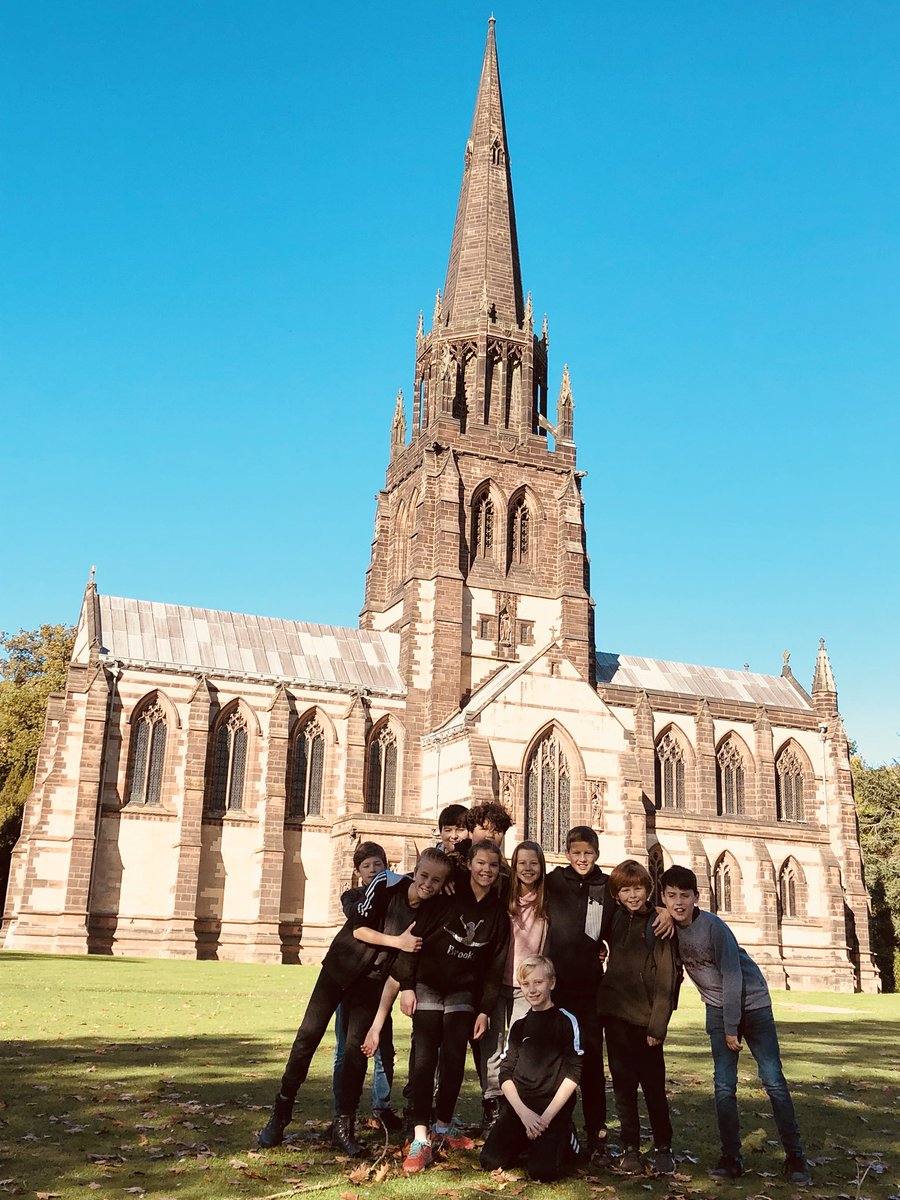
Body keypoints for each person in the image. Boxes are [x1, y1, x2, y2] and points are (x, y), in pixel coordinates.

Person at [256, 847, 450, 1154]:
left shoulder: (432, 912)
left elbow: (400, 971)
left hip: (370, 984)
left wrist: (377, 1024)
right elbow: (359, 928)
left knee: (356, 1052)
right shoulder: (387, 883)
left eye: (437, 880)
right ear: (414, 870)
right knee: (308, 1038)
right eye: (424, 876)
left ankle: (343, 1127)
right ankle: (279, 1116)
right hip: (340, 967)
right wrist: (397, 941)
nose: (428, 884)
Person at [660, 865, 811, 1185]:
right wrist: (658, 911)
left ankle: (796, 1157)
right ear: (664, 897)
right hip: (717, 1008)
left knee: (773, 1082)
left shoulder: (714, 927)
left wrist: (731, 1027)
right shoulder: (669, 925)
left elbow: (733, 975)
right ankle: (731, 1158)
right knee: (724, 1087)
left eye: (684, 896)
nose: (678, 903)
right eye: (671, 896)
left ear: (696, 897)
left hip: (752, 1004)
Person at [391, 839, 511, 1174]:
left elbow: (494, 964)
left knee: (455, 1058)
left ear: (499, 868)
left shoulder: (498, 913)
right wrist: (407, 987)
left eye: (492, 865)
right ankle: (419, 1139)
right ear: (470, 864)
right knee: (425, 1058)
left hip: (463, 993)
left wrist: (485, 1009)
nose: (486, 870)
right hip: (428, 984)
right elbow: (413, 940)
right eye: (480, 863)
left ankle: (442, 1128)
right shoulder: (447, 896)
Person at [597, 859, 681, 1176]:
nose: (633, 895)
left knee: (654, 1089)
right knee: (623, 1088)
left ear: (648, 890)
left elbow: (667, 979)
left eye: (639, 889)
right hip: (615, 1017)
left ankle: (663, 1148)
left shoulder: (659, 925)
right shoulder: (614, 919)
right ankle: (631, 1148)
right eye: (626, 890)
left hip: (646, 1022)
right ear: (617, 895)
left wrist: (657, 1026)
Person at [543, 825, 613, 1163]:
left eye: (588, 853)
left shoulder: (606, 886)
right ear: (568, 853)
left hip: (590, 991)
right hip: (557, 989)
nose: (582, 859)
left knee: (590, 1063)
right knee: (556, 1062)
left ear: (596, 854)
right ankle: (558, 1128)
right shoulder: (554, 882)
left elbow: (628, 913)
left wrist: (660, 911)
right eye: (576, 853)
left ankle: (596, 1134)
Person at [480, 954, 582, 1182]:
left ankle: (565, 1135)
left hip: (550, 1109)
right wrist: (523, 1113)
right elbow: (505, 1073)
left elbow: (574, 1073)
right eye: (526, 984)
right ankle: (528, 1139)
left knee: (542, 1172)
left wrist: (544, 1119)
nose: (532, 990)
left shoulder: (566, 1021)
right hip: (521, 1109)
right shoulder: (519, 1026)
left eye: (538, 982)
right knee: (489, 1161)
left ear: (551, 983)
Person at [478, 840, 549, 1132]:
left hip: (526, 986)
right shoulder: (501, 894)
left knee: (517, 1048)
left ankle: (514, 1106)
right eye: (522, 863)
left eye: (534, 863)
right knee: (492, 1046)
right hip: (497, 983)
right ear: (514, 865)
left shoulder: (549, 899)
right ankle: (492, 1104)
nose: (528, 868)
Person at [332, 842, 402, 1132]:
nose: (374, 870)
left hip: (378, 983)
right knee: (345, 1049)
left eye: (378, 864)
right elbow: (358, 919)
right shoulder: (352, 896)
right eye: (367, 866)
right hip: (349, 981)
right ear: (357, 872)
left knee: (384, 1048)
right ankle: (342, 1109)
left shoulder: (394, 898)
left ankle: (382, 1106)